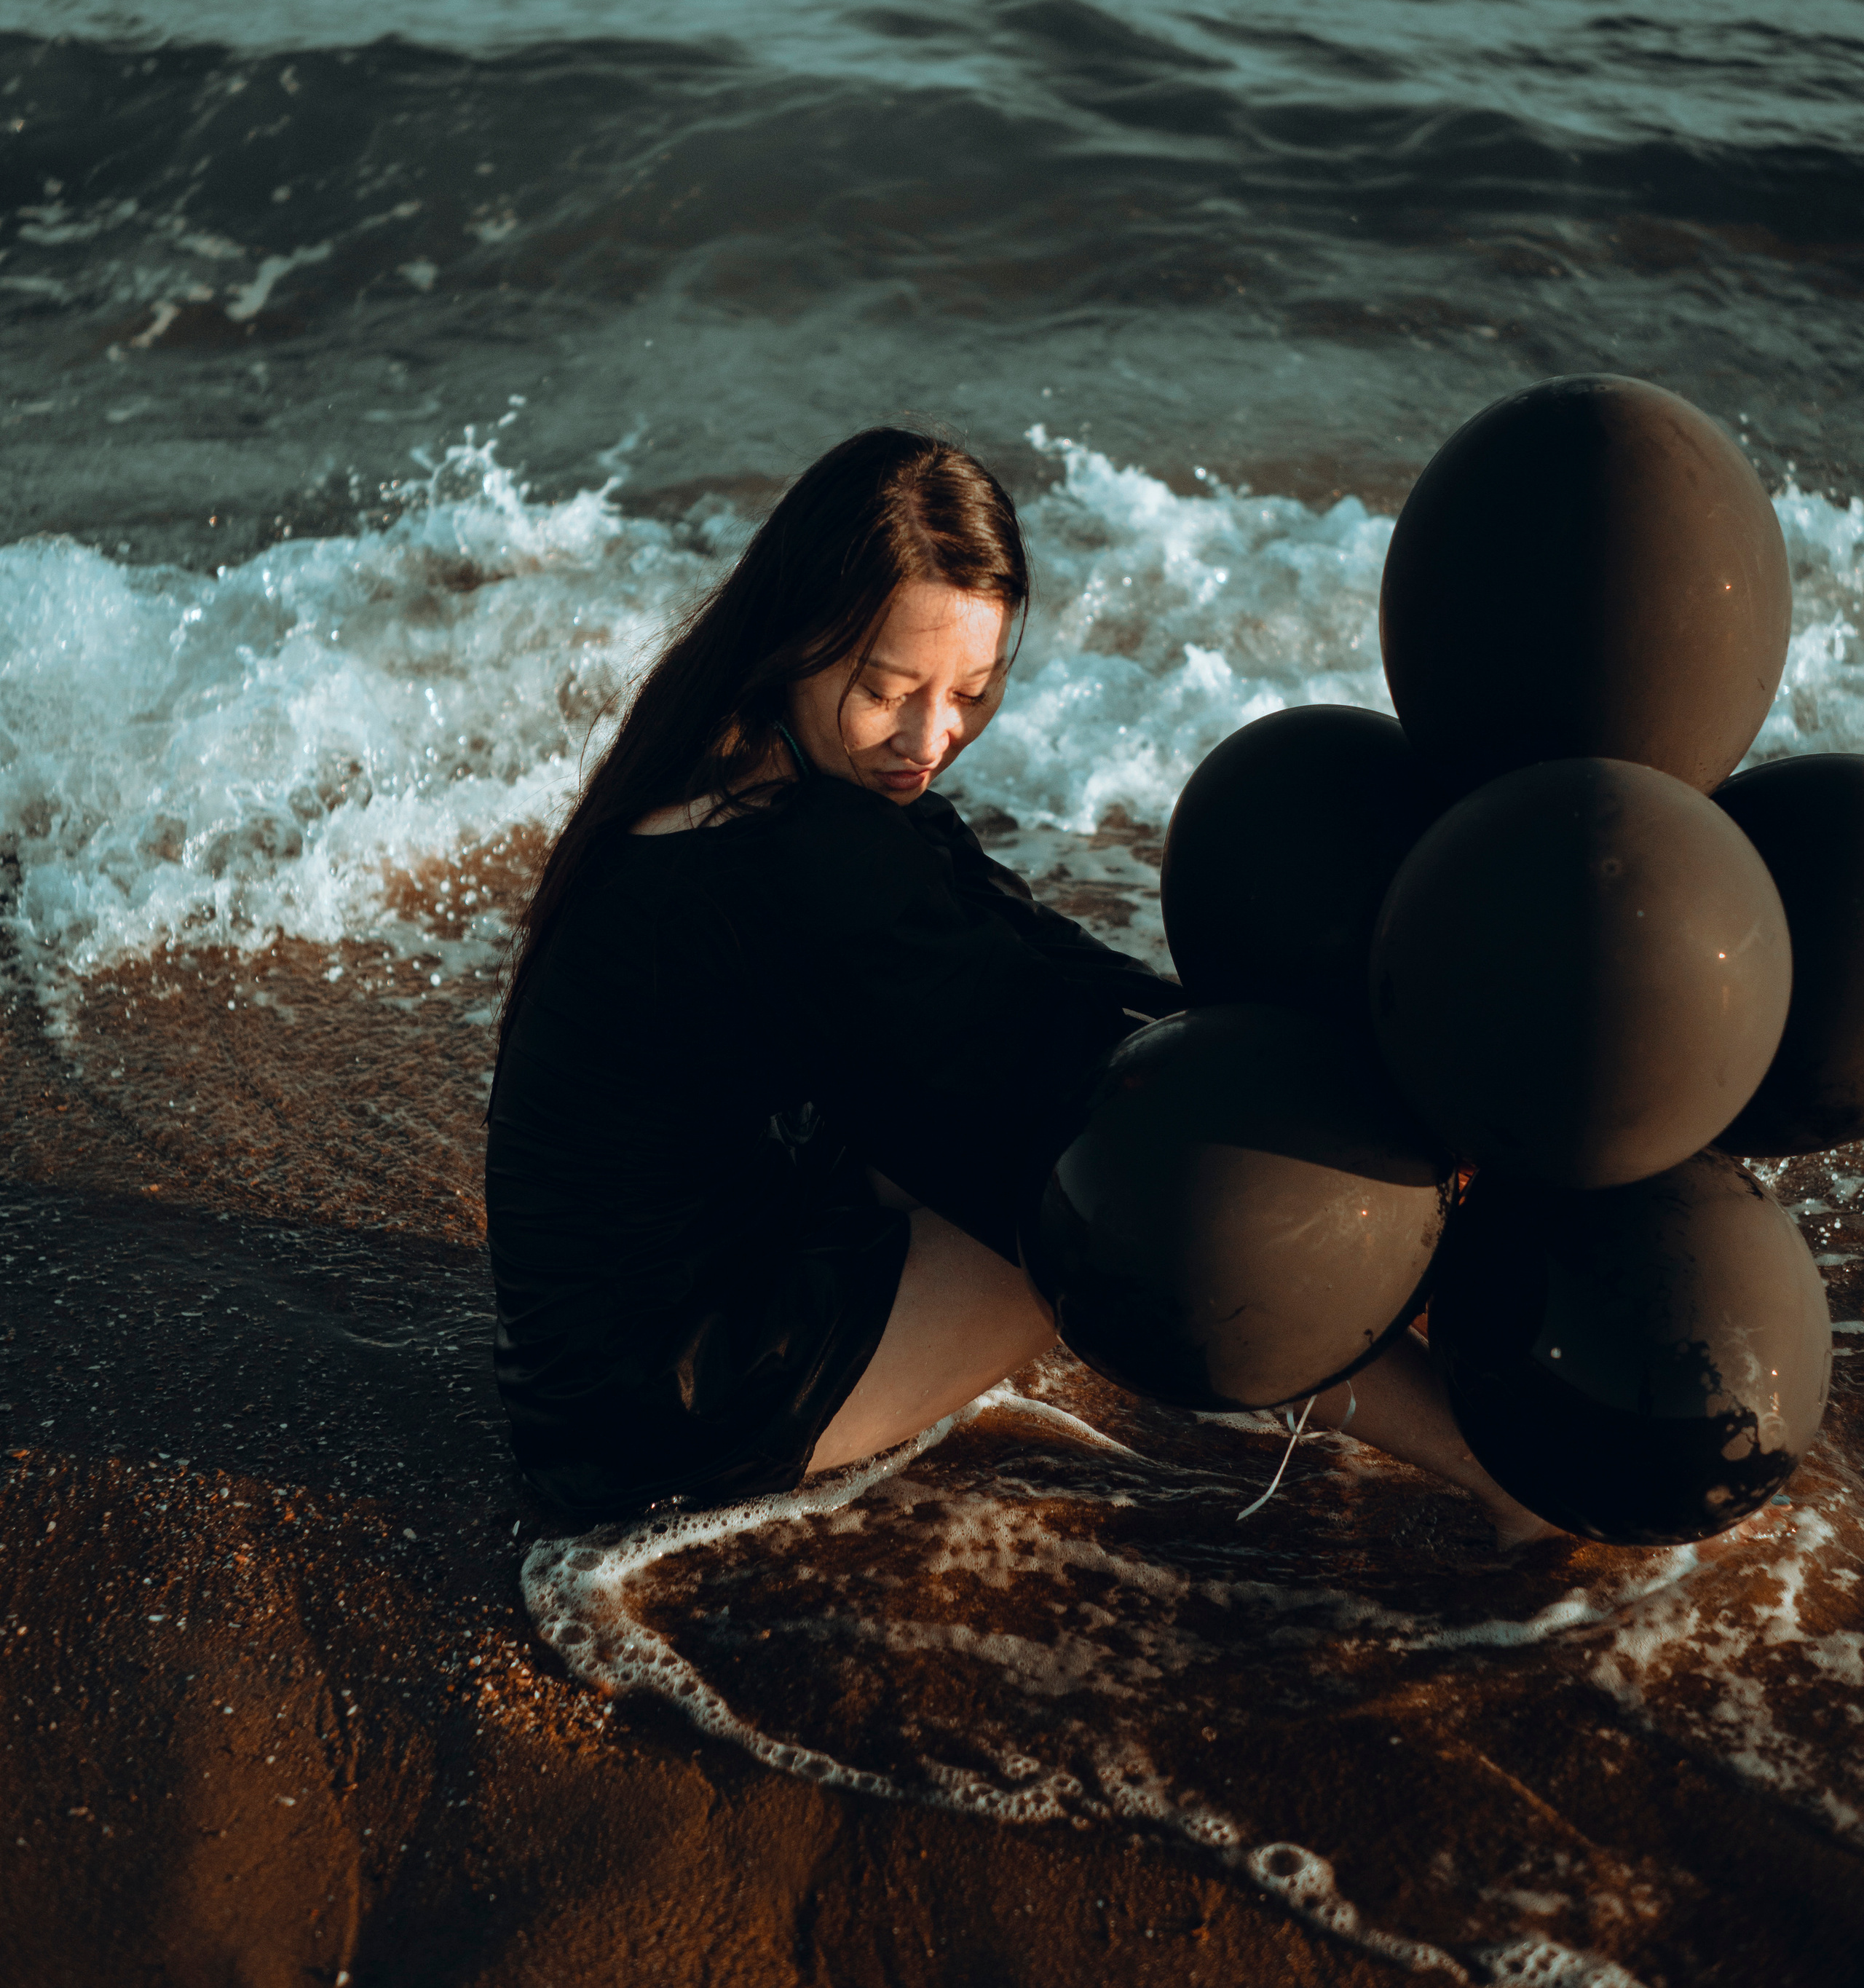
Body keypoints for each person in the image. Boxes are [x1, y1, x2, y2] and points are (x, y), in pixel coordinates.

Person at [486, 427, 1546, 1547]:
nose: (931, 737)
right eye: (889, 689)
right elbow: (1065, 1077)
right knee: (1129, 1212)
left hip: (628, 1327)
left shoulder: (741, 763)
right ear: (798, 636)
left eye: (973, 691)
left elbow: (1035, 968)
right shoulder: (783, 866)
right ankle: (1498, 1472)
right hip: (652, 1407)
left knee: (1058, 1143)